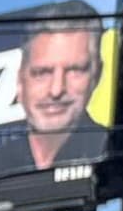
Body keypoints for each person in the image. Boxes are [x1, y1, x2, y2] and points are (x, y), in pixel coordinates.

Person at [17, 13, 107, 172]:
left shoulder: (108, 148)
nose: (56, 90)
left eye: (75, 70)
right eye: (42, 72)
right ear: (20, 79)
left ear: (96, 75)